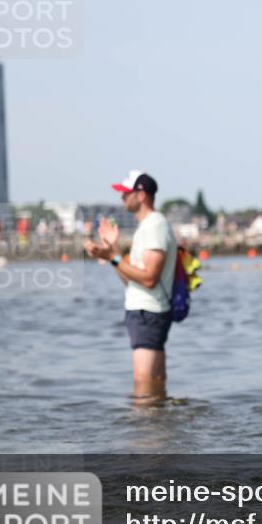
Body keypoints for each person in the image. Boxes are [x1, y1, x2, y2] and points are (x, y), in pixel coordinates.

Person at [84, 170, 177, 398]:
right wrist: (113, 251)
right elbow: (131, 281)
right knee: (154, 386)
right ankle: (160, 421)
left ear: (141, 195)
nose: (122, 197)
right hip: (146, 312)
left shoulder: (154, 226)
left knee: (144, 388)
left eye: (126, 193)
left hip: (148, 313)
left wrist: (113, 257)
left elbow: (149, 278)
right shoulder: (147, 226)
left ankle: (146, 423)